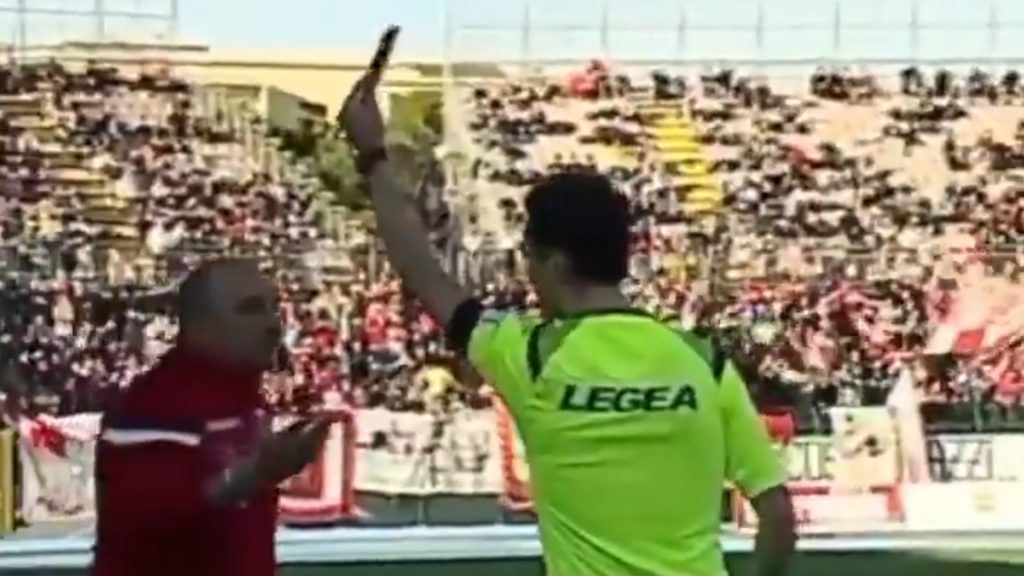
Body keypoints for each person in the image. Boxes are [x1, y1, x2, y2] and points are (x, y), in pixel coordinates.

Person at [339, 34, 796, 576]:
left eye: (528, 254)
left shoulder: (531, 355)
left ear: (555, 262)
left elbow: (422, 271)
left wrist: (373, 156)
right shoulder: (702, 360)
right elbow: (777, 516)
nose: (525, 269)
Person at [92, 259, 332, 576]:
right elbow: (145, 514)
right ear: (201, 325)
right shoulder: (155, 405)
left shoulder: (244, 399)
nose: (273, 324)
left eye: (274, 308)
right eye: (251, 309)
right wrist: (256, 473)